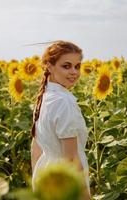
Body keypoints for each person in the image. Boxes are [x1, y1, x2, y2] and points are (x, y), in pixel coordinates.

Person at [30, 40, 90, 199]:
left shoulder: (44, 97)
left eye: (77, 66)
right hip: (66, 183)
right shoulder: (64, 102)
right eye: (66, 66)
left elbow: (35, 149)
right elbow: (71, 159)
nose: (74, 72)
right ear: (49, 66)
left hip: (45, 176)